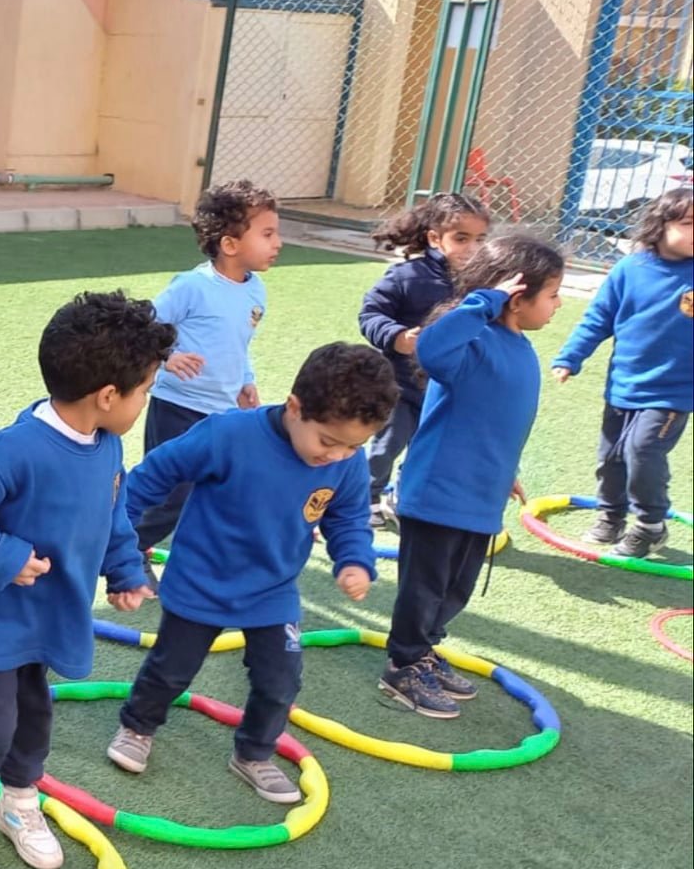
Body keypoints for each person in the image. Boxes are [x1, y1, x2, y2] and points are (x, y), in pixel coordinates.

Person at [0, 292, 172, 869]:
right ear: (107, 395)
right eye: (145, 390)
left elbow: (112, 513)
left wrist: (125, 568)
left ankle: (18, 802)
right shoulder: (18, 449)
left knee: (33, 718)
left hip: (46, 615)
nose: (145, 402)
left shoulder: (106, 445)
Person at [109, 343, 397, 803]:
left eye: (353, 446)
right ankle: (138, 726)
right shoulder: (229, 435)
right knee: (171, 669)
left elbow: (347, 518)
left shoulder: (346, 464)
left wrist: (355, 561)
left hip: (272, 591)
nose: (338, 455)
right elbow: (154, 474)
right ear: (295, 407)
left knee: (281, 680)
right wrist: (120, 535)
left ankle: (255, 753)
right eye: (328, 441)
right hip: (202, 579)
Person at [380, 233, 565, 718]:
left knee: (455, 587)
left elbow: (498, 420)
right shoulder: (471, 340)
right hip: (439, 493)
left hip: (482, 494)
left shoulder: (519, 346)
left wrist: (508, 472)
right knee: (425, 588)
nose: (559, 304)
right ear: (516, 296)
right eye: (552, 294)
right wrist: (485, 301)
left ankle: (424, 650)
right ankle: (403, 665)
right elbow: (431, 348)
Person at [130, 181, 283, 561]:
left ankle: (203, 554)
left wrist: (246, 380)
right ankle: (122, 549)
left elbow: (238, 343)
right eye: (267, 234)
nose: (278, 242)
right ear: (230, 244)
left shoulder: (255, 290)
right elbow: (143, 326)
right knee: (170, 494)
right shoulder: (193, 287)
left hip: (222, 411)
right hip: (178, 407)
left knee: (217, 486)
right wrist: (167, 356)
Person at [550, 187, 694, 559]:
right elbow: (598, 319)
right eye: (689, 223)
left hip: (674, 392)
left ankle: (650, 525)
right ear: (660, 225)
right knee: (611, 457)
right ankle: (611, 516)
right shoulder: (630, 269)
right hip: (624, 385)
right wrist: (569, 358)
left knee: (643, 450)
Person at [358, 191, 493, 527]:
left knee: (428, 450)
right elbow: (371, 313)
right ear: (435, 238)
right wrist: (397, 337)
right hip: (401, 387)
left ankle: (405, 495)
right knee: (387, 445)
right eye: (461, 238)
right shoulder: (408, 276)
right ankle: (366, 496)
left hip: (447, 390)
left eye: (480, 239)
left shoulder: (483, 281)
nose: (472, 248)